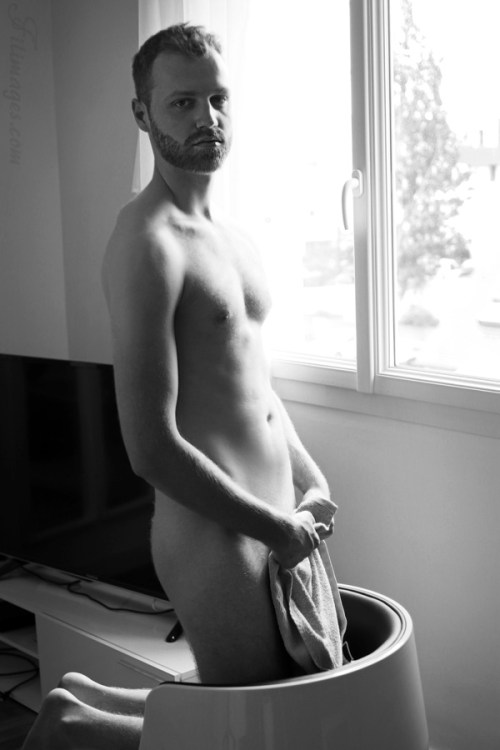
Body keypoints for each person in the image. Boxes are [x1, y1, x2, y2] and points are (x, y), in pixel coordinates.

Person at [22, 23, 336, 750]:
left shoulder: (232, 237)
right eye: (183, 103)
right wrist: (274, 530)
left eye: (217, 99)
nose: (207, 118)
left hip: (276, 515)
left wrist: (311, 482)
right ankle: (70, 728)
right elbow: (150, 447)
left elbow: (256, 389)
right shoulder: (148, 244)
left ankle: (76, 708)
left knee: (254, 715)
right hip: (214, 534)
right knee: (242, 735)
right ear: (143, 114)